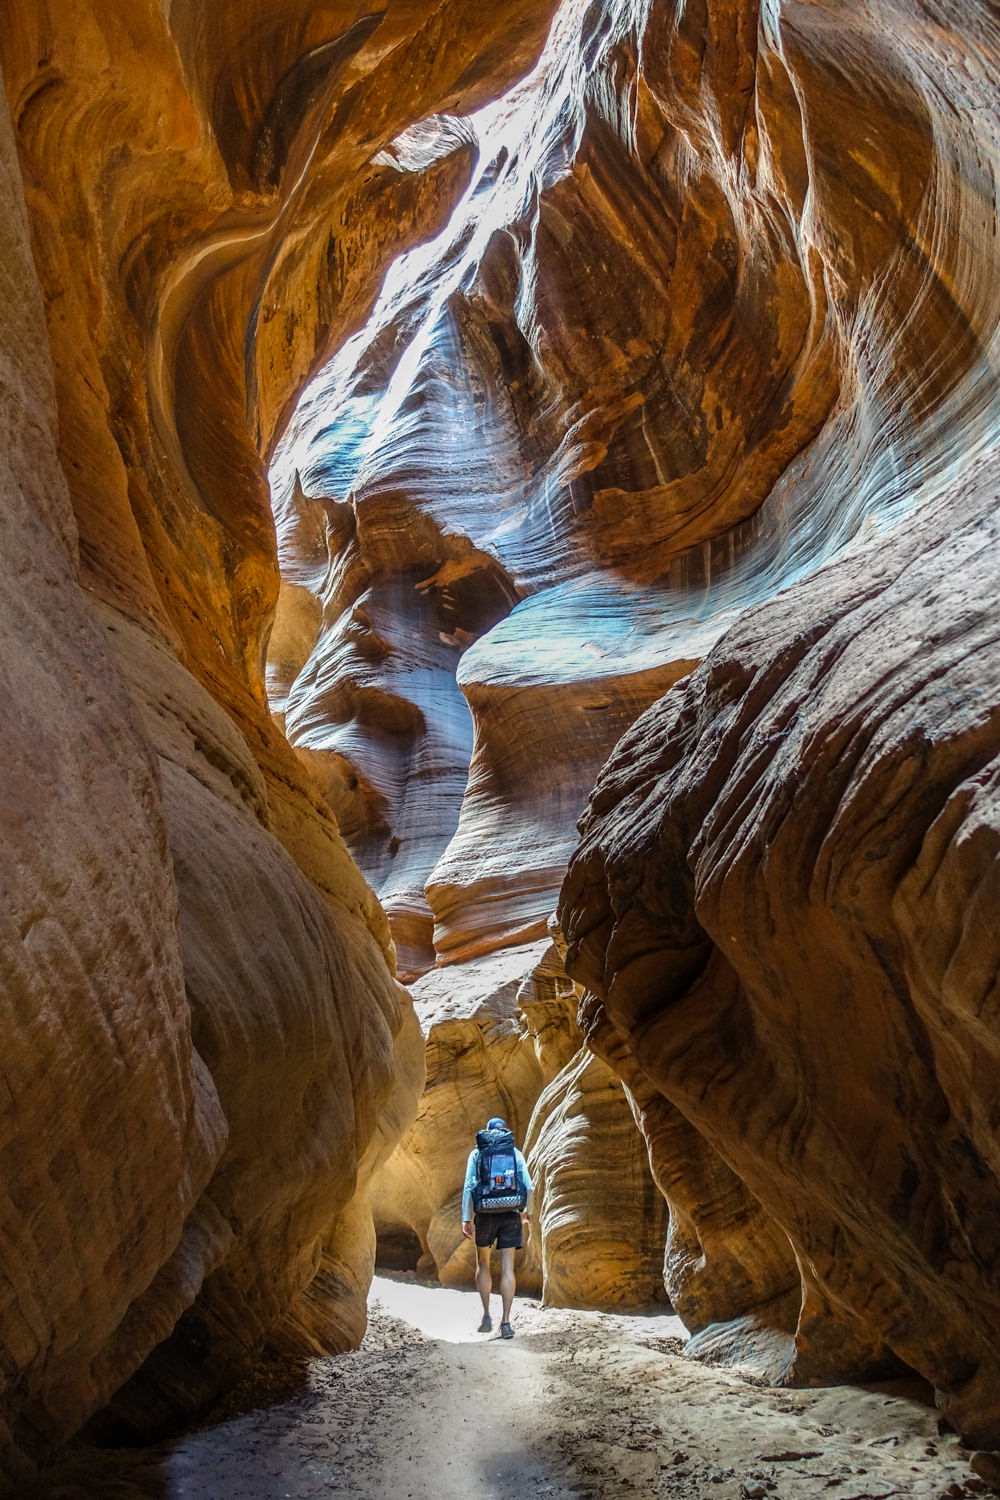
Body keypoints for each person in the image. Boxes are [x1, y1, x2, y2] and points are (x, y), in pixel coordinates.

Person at [461, 1116, 533, 1338]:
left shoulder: (477, 1152)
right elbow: (529, 1186)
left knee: (483, 1263)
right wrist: (526, 1211)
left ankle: (486, 1315)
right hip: (511, 1213)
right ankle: (506, 1322)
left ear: (488, 1131)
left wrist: (466, 1217)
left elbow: (468, 1186)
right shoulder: (514, 1152)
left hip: (484, 1215)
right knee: (507, 1268)